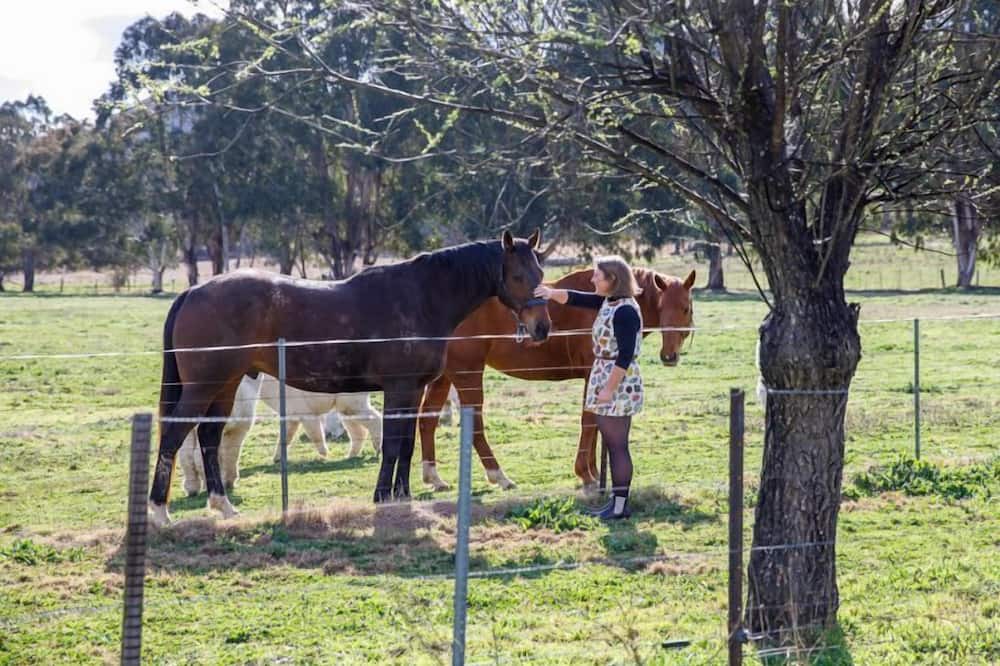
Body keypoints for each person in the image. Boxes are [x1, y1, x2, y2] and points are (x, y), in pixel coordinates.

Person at [534, 256, 643, 520]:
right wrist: (549, 293)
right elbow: (576, 298)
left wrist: (608, 390)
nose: (592, 279)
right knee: (614, 444)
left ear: (612, 280)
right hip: (605, 375)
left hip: (617, 381)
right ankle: (617, 503)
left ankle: (620, 506)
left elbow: (625, 356)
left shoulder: (625, 311)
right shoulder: (609, 302)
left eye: (597, 275)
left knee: (617, 446)